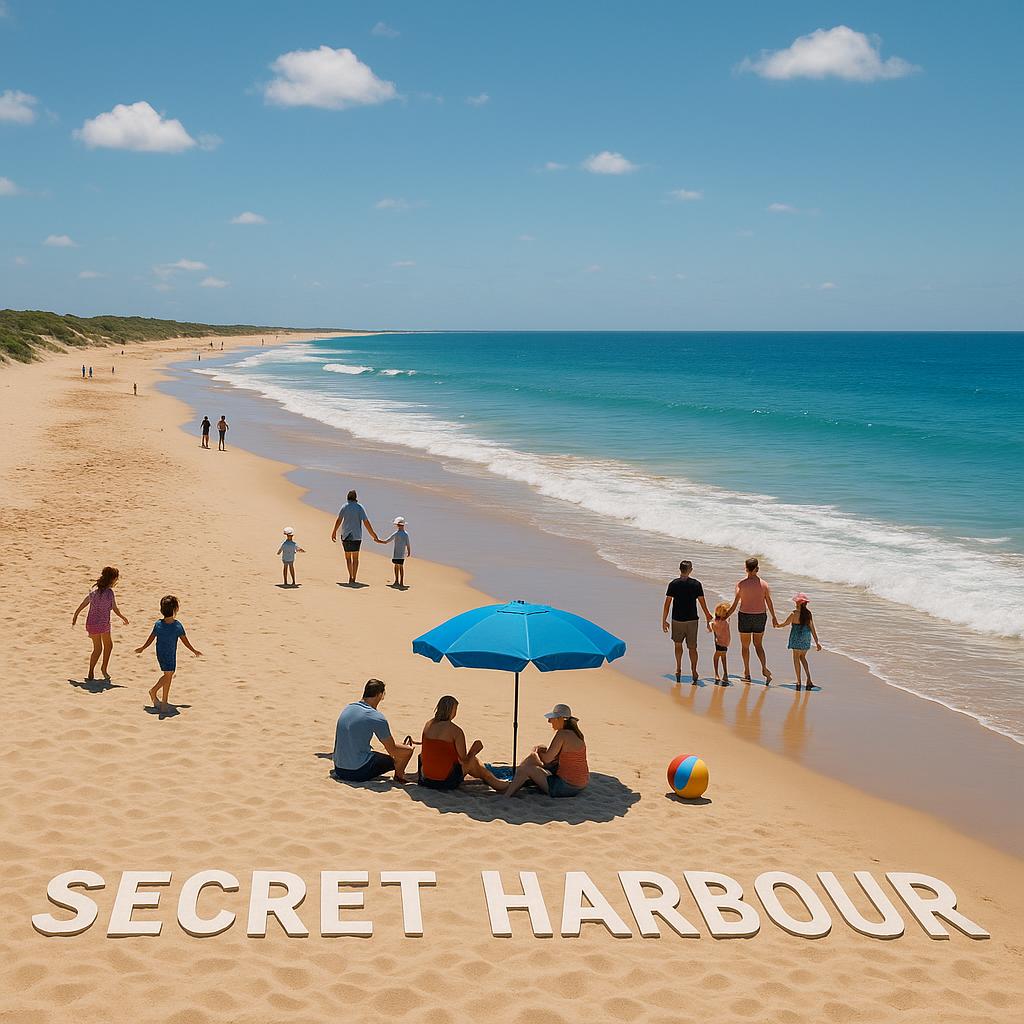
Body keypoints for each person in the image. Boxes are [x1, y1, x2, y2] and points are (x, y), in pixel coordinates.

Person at [419, 695, 508, 792]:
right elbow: (464, 759)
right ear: (451, 711)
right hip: (444, 782)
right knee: (473, 761)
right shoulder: (455, 731)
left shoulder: (428, 724)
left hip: (425, 779)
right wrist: (474, 750)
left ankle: (485, 774)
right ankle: (497, 783)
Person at [332, 679, 413, 783]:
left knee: (375, 754)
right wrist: (407, 749)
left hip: (339, 768)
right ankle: (399, 777)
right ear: (379, 695)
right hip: (356, 771)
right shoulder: (376, 717)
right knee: (403, 755)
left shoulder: (348, 708)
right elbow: (392, 750)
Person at [503, 704, 589, 799]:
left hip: (566, 787)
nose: (549, 721)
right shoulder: (577, 734)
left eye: (552, 719)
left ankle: (507, 794)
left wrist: (539, 751)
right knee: (532, 758)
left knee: (526, 768)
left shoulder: (562, 734)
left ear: (560, 719)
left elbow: (547, 759)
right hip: (580, 784)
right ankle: (517, 778)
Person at [135, 595, 203, 708]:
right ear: (175, 609)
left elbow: (150, 639)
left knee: (169, 675)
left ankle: (164, 700)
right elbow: (185, 642)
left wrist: (143, 647)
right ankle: (154, 692)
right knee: (168, 675)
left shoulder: (161, 624)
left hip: (167, 653)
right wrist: (193, 650)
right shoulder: (176, 626)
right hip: (166, 654)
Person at [725, 556, 777, 685]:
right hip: (760, 616)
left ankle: (747, 673)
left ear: (746, 569)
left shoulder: (741, 584)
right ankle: (764, 668)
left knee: (745, 646)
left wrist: (725, 616)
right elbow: (769, 602)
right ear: (757, 569)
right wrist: (774, 617)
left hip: (745, 616)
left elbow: (735, 603)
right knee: (758, 645)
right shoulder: (764, 585)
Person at [71, 566, 129, 681]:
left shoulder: (93, 590)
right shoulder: (110, 593)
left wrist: (76, 614)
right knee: (109, 646)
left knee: (97, 649)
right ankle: (103, 668)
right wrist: (123, 617)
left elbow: (84, 602)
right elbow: (115, 608)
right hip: (103, 624)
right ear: (112, 580)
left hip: (91, 624)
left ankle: (91, 671)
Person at [661, 560, 713, 684]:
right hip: (692, 620)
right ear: (690, 570)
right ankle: (694, 671)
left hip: (677, 620)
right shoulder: (696, 584)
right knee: (692, 647)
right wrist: (708, 615)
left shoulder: (673, 584)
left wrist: (664, 620)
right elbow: (702, 602)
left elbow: (667, 604)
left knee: (678, 645)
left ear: (680, 569)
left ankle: (678, 668)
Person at [331, 489, 380, 584]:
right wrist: (373, 534)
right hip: (357, 536)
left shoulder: (344, 507)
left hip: (346, 536)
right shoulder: (359, 507)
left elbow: (339, 520)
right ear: (356, 498)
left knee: (348, 558)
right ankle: (354, 577)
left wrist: (334, 532)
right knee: (356, 558)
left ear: (347, 498)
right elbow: (366, 522)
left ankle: (350, 576)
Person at [776, 593, 822, 690]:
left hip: (796, 637)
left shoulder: (794, 613)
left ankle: (799, 681)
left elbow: (785, 624)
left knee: (796, 659)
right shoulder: (808, 614)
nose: (795, 602)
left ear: (799, 603)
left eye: (796, 601)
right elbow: (812, 628)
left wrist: (777, 625)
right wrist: (817, 642)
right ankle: (809, 679)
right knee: (803, 658)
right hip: (806, 637)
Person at [378, 516, 411, 587]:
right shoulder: (405, 534)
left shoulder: (397, 534)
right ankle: (400, 581)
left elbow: (387, 541)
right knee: (400, 567)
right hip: (400, 554)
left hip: (397, 554)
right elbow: (408, 544)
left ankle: (398, 581)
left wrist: (380, 541)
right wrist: (409, 551)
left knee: (397, 566)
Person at [710, 602, 732, 685]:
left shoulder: (726, 619)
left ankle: (725, 673)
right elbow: (711, 626)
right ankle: (716, 673)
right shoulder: (716, 621)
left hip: (726, 641)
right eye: (724, 613)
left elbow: (730, 611)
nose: (726, 614)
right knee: (718, 654)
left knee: (723, 655)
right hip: (718, 640)